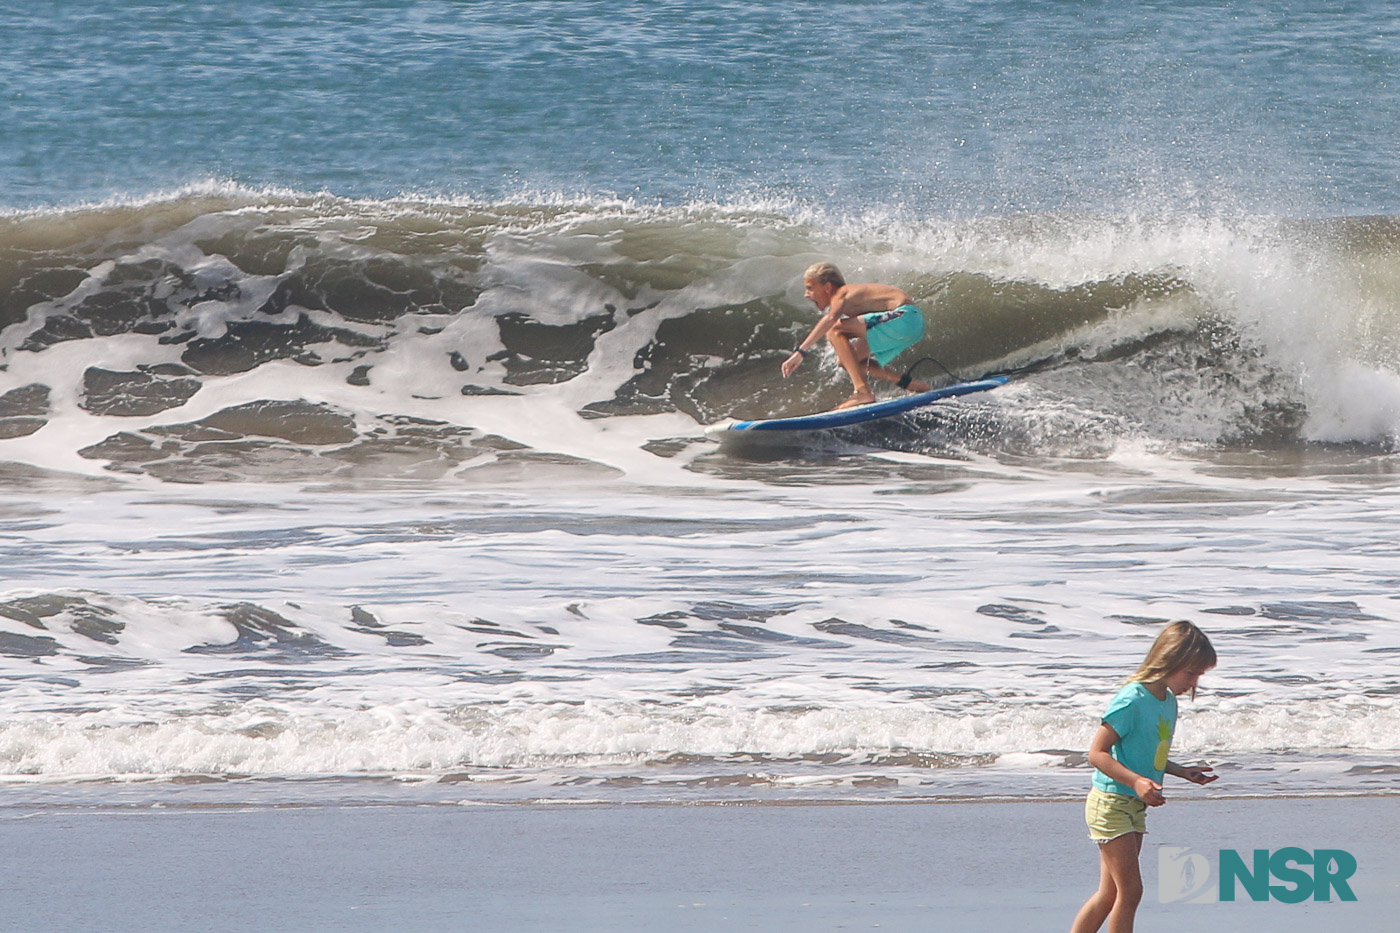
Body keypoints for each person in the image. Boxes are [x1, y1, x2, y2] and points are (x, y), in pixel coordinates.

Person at [1069, 620, 1218, 933]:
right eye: (1190, 673)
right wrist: (1136, 782)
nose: (1193, 683)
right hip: (1110, 803)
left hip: (1134, 805)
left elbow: (1149, 756)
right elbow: (1097, 753)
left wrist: (1182, 772)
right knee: (1131, 891)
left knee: (1110, 893)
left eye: (1199, 676)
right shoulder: (1132, 700)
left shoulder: (1167, 703)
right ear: (1169, 661)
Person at [781, 262, 931, 409]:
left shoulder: (842, 293)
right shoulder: (855, 298)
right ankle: (910, 384)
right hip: (911, 325)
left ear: (827, 287)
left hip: (904, 316)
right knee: (848, 361)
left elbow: (831, 320)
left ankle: (862, 392)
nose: (806, 295)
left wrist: (800, 352)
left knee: (834, 329)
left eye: (810, 288)